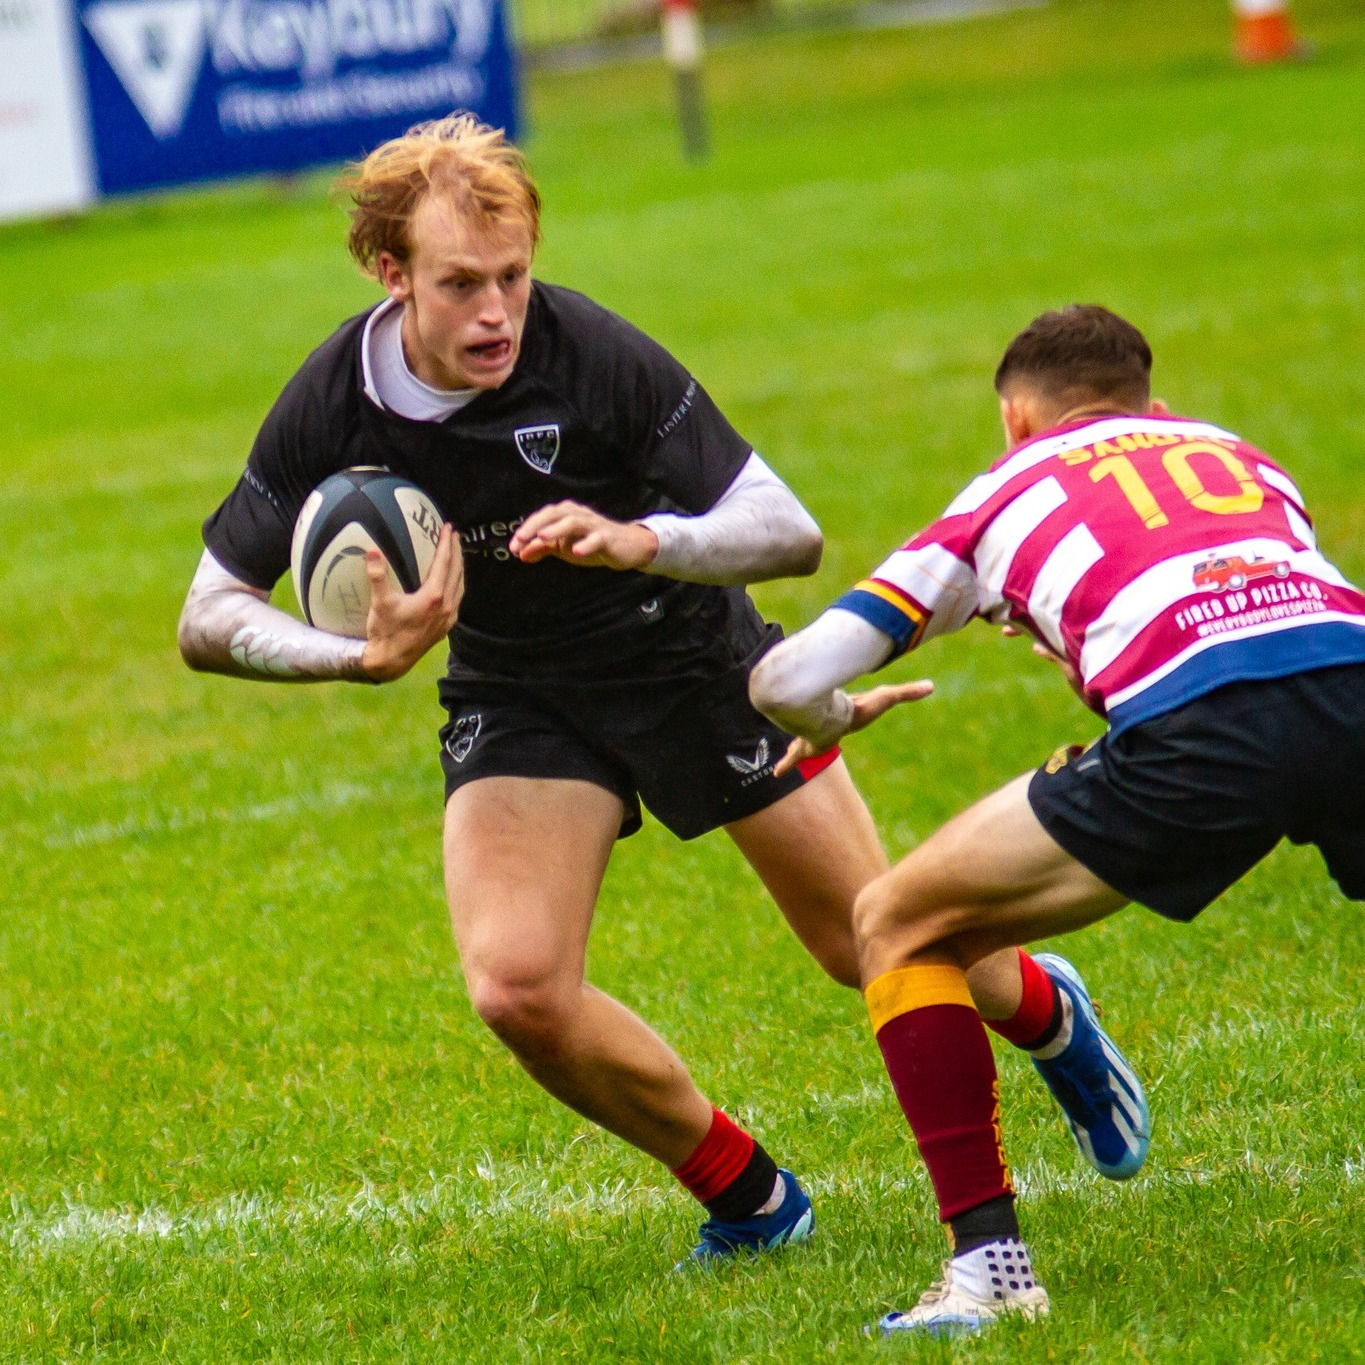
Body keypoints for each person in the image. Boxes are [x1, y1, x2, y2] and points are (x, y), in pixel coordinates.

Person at [177, 117, 1143, 1264]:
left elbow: (787, 529)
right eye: (461, 284)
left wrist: (644, 539)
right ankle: (751, 1199)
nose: (496, 312)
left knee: (867, 940)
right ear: (391, 274)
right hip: (519, 690)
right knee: (518, 989)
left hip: (690, 664)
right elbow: (207, 613)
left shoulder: (590, 356)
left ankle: (1045, 1009)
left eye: (513, 276)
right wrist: (353, 657)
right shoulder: (334, 399)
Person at [750, 303, 1365, 1330]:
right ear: (1151, 408)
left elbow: (784, 677)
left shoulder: (999, 493)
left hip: (1199, 737)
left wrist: (831, 719)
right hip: (1349, 681)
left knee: (896, 922)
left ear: (1016, 422)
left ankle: (989, 1271)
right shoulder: (1237, 454)